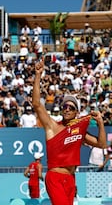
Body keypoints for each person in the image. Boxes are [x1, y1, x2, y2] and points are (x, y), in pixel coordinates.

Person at [32, 60, 107, 205]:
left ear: (76, 113)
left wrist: (100, 123)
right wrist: (38, 75)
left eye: (71, 108)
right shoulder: (52, 126)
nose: (67, 109)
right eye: (65, 106)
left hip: (71, 178)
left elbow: (102, 144)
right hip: (55, 177)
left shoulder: (79, 133)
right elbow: (36, 104)